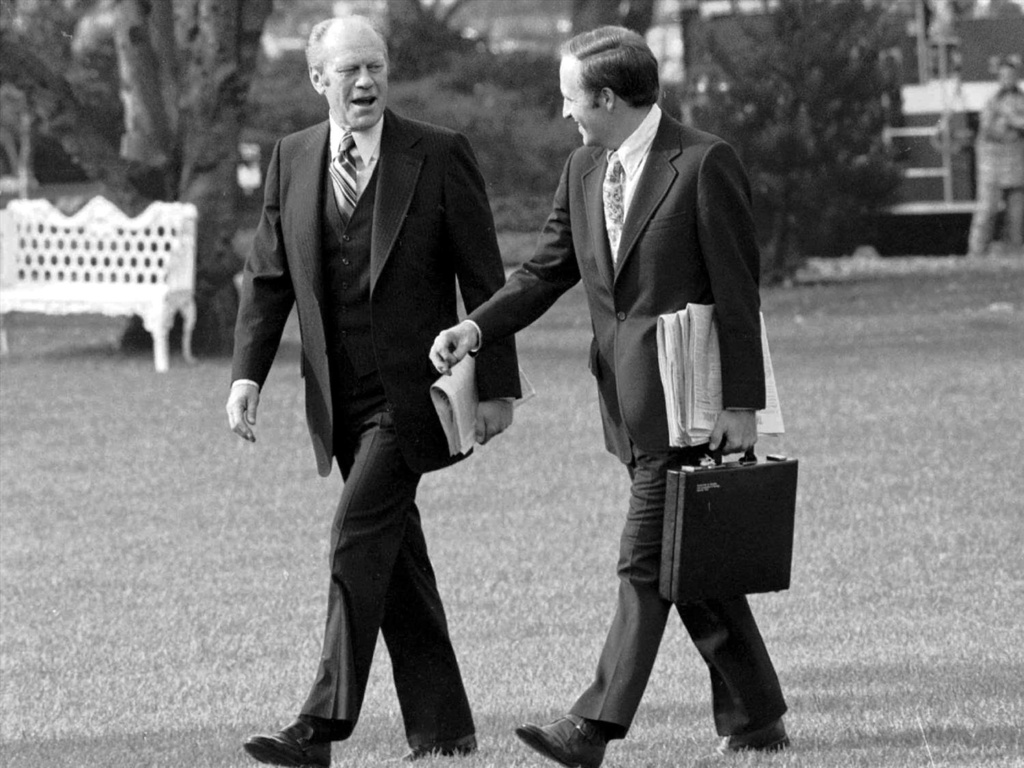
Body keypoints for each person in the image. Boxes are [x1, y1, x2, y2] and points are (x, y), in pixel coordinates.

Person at [430, 26, 789, 765]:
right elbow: (545, 271)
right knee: (690, 566)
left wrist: (741, 402)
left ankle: (592, 726)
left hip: (690, 406)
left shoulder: (703, 162)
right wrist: (475, 327)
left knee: (643, 562)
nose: (566, 115)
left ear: (607, 96)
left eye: (571, 100)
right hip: (626, 405)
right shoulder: (584, 168)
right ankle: (756, 717)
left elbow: (737, 290)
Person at [226, 15, 521, 766]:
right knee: (396, 559)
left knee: (355, 535)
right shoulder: (291, 158)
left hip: (414, 395)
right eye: (349, 70)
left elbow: (485, 280)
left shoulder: (440, 154)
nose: (365, 83)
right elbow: (269, 280)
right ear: (318, 78)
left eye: (376, 68)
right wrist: (246, 374)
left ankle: (319, 727)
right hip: (339, 398)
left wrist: (497, 386)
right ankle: (445, 729)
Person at [968, 56, 1024, 256]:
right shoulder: (991, 101)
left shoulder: (1021, 99)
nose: (1007, 79)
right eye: (1004, 75)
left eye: (1011, 75)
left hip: (1017, 163)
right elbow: (987, 129)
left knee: (1017, 215)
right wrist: (1009, 124)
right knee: (987, 210)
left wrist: (1011, 120)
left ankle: (1016, 255)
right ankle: (976, 253)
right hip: (992, 164)